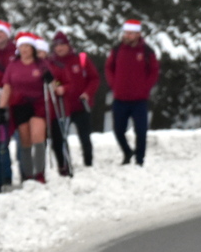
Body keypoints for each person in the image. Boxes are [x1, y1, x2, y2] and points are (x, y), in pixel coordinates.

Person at [0, 32, 52, 182]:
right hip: (19, 104)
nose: (24, 49)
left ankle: (40, 173)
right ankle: (28, 174)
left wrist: (53, 81)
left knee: (38, 136)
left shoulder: (41, 64)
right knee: (25, 139)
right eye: (21, 46)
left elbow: (54, 85)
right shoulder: (13, 66)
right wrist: (1, 107)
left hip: (38, 104)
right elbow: (7, 87)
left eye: (27, 46)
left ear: (33, 48)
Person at [106, 19, 160, 165]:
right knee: (118, 130)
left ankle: (139, 159)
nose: (128, 36)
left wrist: (145, 87)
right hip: (120, 98)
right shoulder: (117, 49)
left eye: (131, 33)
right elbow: (109, 68)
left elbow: (154, 71)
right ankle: (127, 152)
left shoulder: (147, 51)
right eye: (126, 33)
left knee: (141, 132)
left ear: (138, 34)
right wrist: (114, 84)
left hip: (139, 100)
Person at [46, 31, 99, 166]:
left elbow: (94, 78)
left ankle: (88, 163)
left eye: (62, 45)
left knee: (85, 137)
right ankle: (65, 163)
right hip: (62, 106)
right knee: (61, 137)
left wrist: (87, 93)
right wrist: (59, 87)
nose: (60, 48)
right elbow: (54, 81)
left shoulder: (80, 59)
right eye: (57, 46)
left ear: (68, 45)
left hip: (81, 105)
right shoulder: (51, 63)